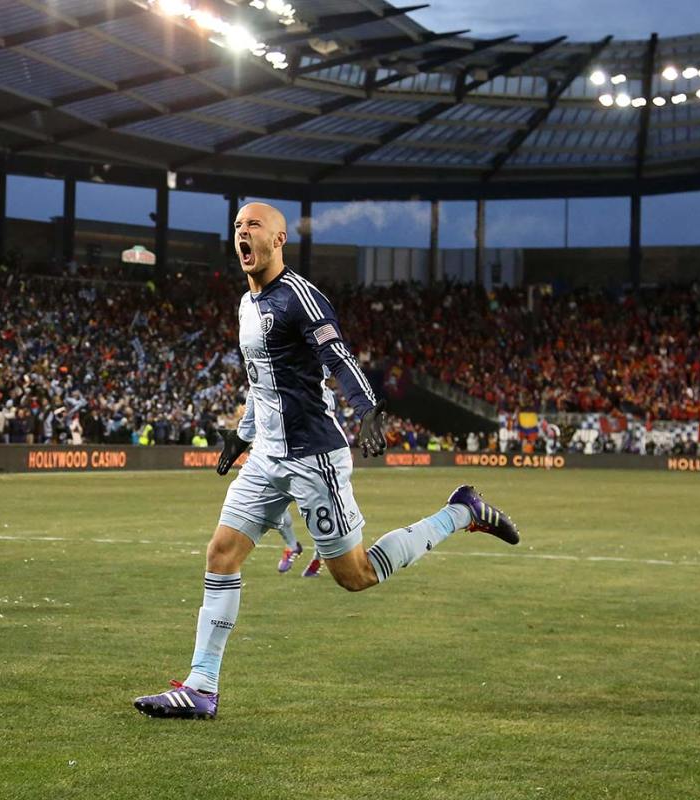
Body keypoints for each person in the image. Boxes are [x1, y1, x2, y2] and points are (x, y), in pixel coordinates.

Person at [133, 203, 520, 720]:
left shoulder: (300, 296)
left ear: (279, 239)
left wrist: (368, 411)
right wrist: (241, 434)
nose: (242, 234)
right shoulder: (247, 305)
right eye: (236, 228)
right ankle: (202, 685)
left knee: (355, 575)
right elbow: (261, 381)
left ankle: (461, 511)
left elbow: (339, 357)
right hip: (267, 457)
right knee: (221, 553)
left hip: (313, 457)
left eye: (253, 226)